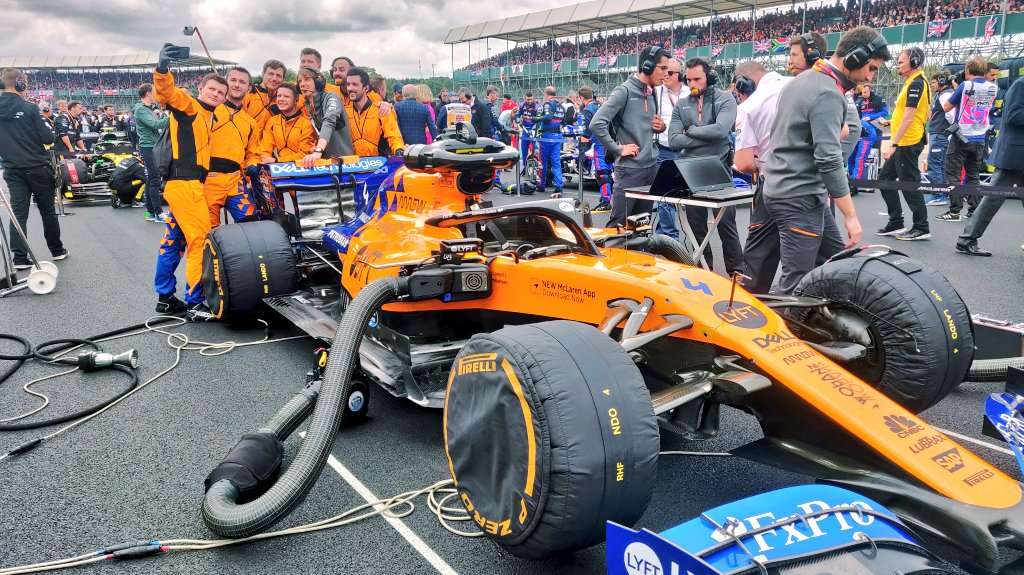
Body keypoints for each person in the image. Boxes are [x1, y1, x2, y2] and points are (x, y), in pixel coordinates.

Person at [759, 26, 888, 294]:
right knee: (796, 285)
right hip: (798, 196)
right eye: (871, 68)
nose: (870, 77)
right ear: (855, 57)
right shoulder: (827, 91)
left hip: (793, 191)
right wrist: (851, 216)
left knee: (836, 263)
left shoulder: (803, 81)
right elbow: (828, 159)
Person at [151, 44, 227, 319]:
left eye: (221, 92)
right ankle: (195, 301)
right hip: (185, 185)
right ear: (200, 88)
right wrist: (162, 69)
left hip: (183, 186)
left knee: (173, 241)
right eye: (212, 89)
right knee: (200, 241)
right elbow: (167, 92)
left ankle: (165, 298)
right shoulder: (190, 107)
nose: (216, 94)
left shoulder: (208, 116)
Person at [667, 57, 742, 274]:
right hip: (691, 173)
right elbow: (673, 140)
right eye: (689, 79)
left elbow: (721, 130)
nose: (692, 84)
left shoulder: (725, 99)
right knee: (696, 228)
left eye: (697, 79)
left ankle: (737, 272)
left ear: (709, 77)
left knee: (727, 225)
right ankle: (703, 271)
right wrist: (706, 136)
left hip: (719, 170)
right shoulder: (682, 104)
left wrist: (691, 131)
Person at [591, 46, 670, 228]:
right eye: (663, 68)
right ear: (647, 67)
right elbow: (596, 123)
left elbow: (643, 126)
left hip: (650, 168)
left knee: (642, 225)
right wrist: (618, 149)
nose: (666, 74)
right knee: (618, 226)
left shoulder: (652, 92)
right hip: (630, 170)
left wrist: (661, 128)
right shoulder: (624, 91)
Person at [0, 67, 66, 269]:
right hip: (38, 167)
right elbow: (47, 138)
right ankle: (57, 250)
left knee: (19, 213)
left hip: (12, 169)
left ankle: (19, 258)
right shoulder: (29, 108)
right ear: (20, 84)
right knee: (47, 210)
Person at [733, 60, 789, 294]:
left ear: (743, 84)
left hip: (773, 182)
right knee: (813, 258)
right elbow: (844, 130)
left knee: (757, 261)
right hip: (812, 184)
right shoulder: (797, 84)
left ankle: (749, 306)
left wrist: (759, 161)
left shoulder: (750, 105)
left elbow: (743, 163)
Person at [955, 75, 1024, 256]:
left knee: (992, 198)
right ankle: (966, 239)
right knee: (992, 199)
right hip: (1014, 156)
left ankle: (967, 239)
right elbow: (1012, 116)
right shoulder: (1021, 84)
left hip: (1017, 155)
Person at [876, 47, 930, 240]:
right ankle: (896, 222)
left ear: (914, 62)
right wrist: (892, 122)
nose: (897, 65)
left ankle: (921, 227)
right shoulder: (912, 82)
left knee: (909, 184)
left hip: (907, 142)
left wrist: (893, 144)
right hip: (905, 140)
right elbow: (921, 113)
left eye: (901, 62)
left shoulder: (917, 83)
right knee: (885, 180)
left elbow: (908, 117)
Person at [937, 56, 998, 222]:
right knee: (973, 175)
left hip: (961, 136)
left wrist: (957, 89)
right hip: (980, 136)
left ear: (967, 71)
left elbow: (947, 107)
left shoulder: (965, 85)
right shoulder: (993, 87)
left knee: (953, 174)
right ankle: (974, 210)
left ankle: (954, 211)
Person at [205, 66, 261, 228]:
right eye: (233, 80)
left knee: (252, 225)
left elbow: (253, 154)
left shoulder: (250, 122)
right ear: (226, 83)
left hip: (235, 182)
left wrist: (253, 165)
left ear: (249, 88)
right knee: (209, 233)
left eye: (242, 82)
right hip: (207, 180)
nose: (237, 85)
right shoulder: (209, 111)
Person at [652, 58, 684, 238]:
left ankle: (661, 235)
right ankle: (671, 237)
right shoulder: (655, 92)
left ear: (680, 75)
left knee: (676, 197)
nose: (666, 75)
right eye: (664, 71)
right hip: (663, 150)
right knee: (664, 197)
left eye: (670, 73)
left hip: (685, 151)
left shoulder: (689, 93)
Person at [297, 67, 354, 162]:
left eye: (306, 79)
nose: (302, 84)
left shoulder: (332, 97)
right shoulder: (309, 105)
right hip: (326, 160)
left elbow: (329, 121)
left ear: (318, 82)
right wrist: (315, 148)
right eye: (300, 81)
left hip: (344, 161)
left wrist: (318, 150)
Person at [344, 67, 404, 157]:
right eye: (348, 84)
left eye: (355, 84)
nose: (350, 88)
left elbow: (394, 136)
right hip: (353, 164)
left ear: (366, 88)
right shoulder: (344, 111)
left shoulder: (382, 110)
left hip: (379, 163)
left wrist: (399, 150)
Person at [133, 83, 169, 222]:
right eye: (155, 92)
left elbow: (157, 124)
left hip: (153, 145)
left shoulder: (148, 109)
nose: (157, 94)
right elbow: (155, 125)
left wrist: (161, 116)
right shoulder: (140, 110)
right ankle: (158, 213)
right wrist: (172, 117)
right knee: (154, 179)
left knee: (151, 179)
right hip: (148, 146)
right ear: (148, 93)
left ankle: (150, 212)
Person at [258, 84, 316, 163]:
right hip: (277, 166)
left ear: (296, 100)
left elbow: (305, 154)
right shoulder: (272, 121)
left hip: (300, 166)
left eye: (286, 96)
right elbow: (265, 149)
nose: (281, 99)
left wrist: (278, 161)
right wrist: (266, 159)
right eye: (279, 96)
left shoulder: (306, 123)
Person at [578, 85, 612, 212]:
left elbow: (586, 133)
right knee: (608, 171)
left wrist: (582, 149)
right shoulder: (601, 105)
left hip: (599, 144)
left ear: (581, 98)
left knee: (601, 172)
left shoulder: (587, 110)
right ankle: (607, 198)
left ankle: (605, 201)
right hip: (610, 142)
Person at [924, 71, 956, 205]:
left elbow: (951, 115)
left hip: (940, 134)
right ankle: (943, 194)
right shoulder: (943, 94)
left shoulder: (946, 95)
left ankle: (939, 195)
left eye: (933, 82)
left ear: (942, 81)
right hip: (940, 133)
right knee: (941, 165)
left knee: (935, 164)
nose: (931, 85)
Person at [849, 84, 888, 180]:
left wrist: (871, 117)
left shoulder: (878, 99)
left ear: (870, 90)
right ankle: (854, 176)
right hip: (862, 128)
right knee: (857, 152)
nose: (863, 94)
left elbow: (885, 112)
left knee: (875, 150)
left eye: (865, 92)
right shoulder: (858, 99)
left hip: (876, 127)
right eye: (862, 92)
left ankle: (875, 173)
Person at [243, 59, 286, 136]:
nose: (274, 78)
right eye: (271, 74)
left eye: (278, 75)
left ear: (283, 79)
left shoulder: (284, 100)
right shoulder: (248, 94)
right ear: (263, 74)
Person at [537, 85, 564, 197]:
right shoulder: (561, 106)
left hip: (546, 137)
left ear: (546, 94)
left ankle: (542, 184)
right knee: (556, 162)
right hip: (558, 136)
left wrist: (536, 119)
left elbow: (547, 117)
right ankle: (559, 185)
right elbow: (564, 120)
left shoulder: (547, 104)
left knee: (543, 162)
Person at [515, 91, 540, 175]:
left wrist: (534, 128)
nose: (529, 101)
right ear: (525, 98)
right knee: (524, 150)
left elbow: (539, 119)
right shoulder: (522, 105)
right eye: (528, 99)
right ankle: (525, 168)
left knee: (535, 150)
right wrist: (517, 121)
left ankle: (534, 169)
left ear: (533, 98)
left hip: (534, 130)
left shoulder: (537, 106)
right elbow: (518, 115)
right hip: (525, 130)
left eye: (531, 99)